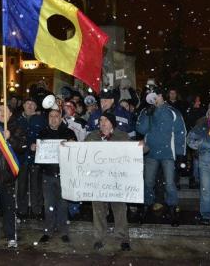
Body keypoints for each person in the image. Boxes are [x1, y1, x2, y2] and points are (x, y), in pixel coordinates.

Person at [86, 112, 137, 251]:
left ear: (113, 123)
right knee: (98, 209)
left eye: (106, 120)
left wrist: (142, 147)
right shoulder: (92, 137)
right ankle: (99, 238)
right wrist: (69, 145)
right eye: (101, 120)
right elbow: (81, 151)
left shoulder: (122, 136)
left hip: (116, 180)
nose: (103, 123)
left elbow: (136, 151)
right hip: (98, 180)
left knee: (119, 209)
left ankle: (123, 238)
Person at [136, 88, 186, 226]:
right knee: (148, 182)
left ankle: (173, 209)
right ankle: (146, 207)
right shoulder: (147, 111)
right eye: (150, 96)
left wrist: (181, 154)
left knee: (170, 184)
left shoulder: (172, 112)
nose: (153, 99)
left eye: (155, 96)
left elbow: (180, 133)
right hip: (151, 153)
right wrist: (147, 114)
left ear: (161, 96)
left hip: (168, 154)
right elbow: (141, 129)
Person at [0, 104, 27, 248]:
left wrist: (10, 139)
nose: (2, 112)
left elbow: (22, 147)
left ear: (10, 114)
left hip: (8, 176)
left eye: (5, 110)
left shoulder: (16, 128)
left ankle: (11, 237)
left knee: (9, 209)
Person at [37, 109, 77, 243]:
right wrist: (33, 147)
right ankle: (48, 231)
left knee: (63, 204)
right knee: (48, 204)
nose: (54, 119)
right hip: (47, 175)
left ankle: (63, 231)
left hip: (64, 174)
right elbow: (37, 151)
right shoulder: (42, 133)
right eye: (51, 116)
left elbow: (75, 150)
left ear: (61, 118)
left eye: (56, 116)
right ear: (48, 118)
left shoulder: (68, 132)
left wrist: (71, 144)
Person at [16, 98, 47, 220]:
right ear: (23, 105)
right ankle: (22, 211)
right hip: (21, 157)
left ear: (35, 107)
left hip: (36, 158)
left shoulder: (41, 120)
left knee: (36, 185)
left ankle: (37, 210)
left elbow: (45, 136)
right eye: (27, 103)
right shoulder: (17, 120)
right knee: (22, 186)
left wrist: (38, 144)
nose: (29, 106)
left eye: (32, 104)